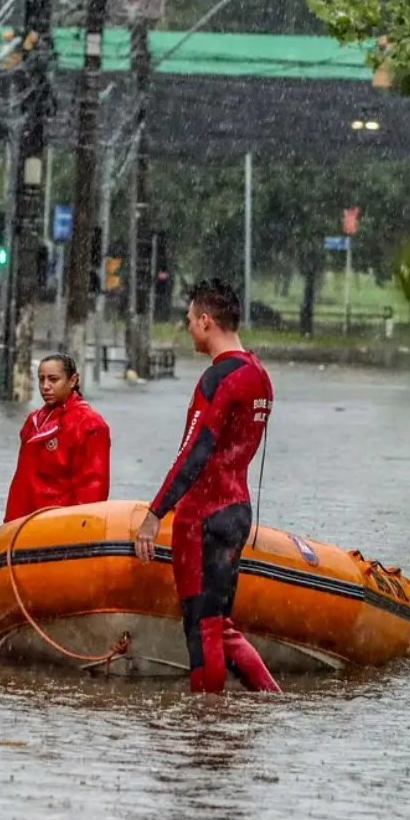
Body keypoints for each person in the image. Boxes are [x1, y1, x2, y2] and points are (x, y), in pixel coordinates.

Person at [134, 278, 281, 694]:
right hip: (237, 512)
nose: (187, 329)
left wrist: (155, 512)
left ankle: (205, 727)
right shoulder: (259, 375)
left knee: (201, 630)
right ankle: (272, 700)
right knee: (220, 624)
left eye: (189, 321)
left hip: (203, 517)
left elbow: (193, 453)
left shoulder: (218, 379)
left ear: (205, 320)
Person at [4, 353, 111, 523]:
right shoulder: (33, 421)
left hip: (57, 526)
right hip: (23, 523)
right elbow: (22, 481)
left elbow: (92, 489)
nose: (45, 386)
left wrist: (78, 530)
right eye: (41, 380)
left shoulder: (89, 425)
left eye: (53, 380)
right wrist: (10, 523)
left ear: (73, 380)